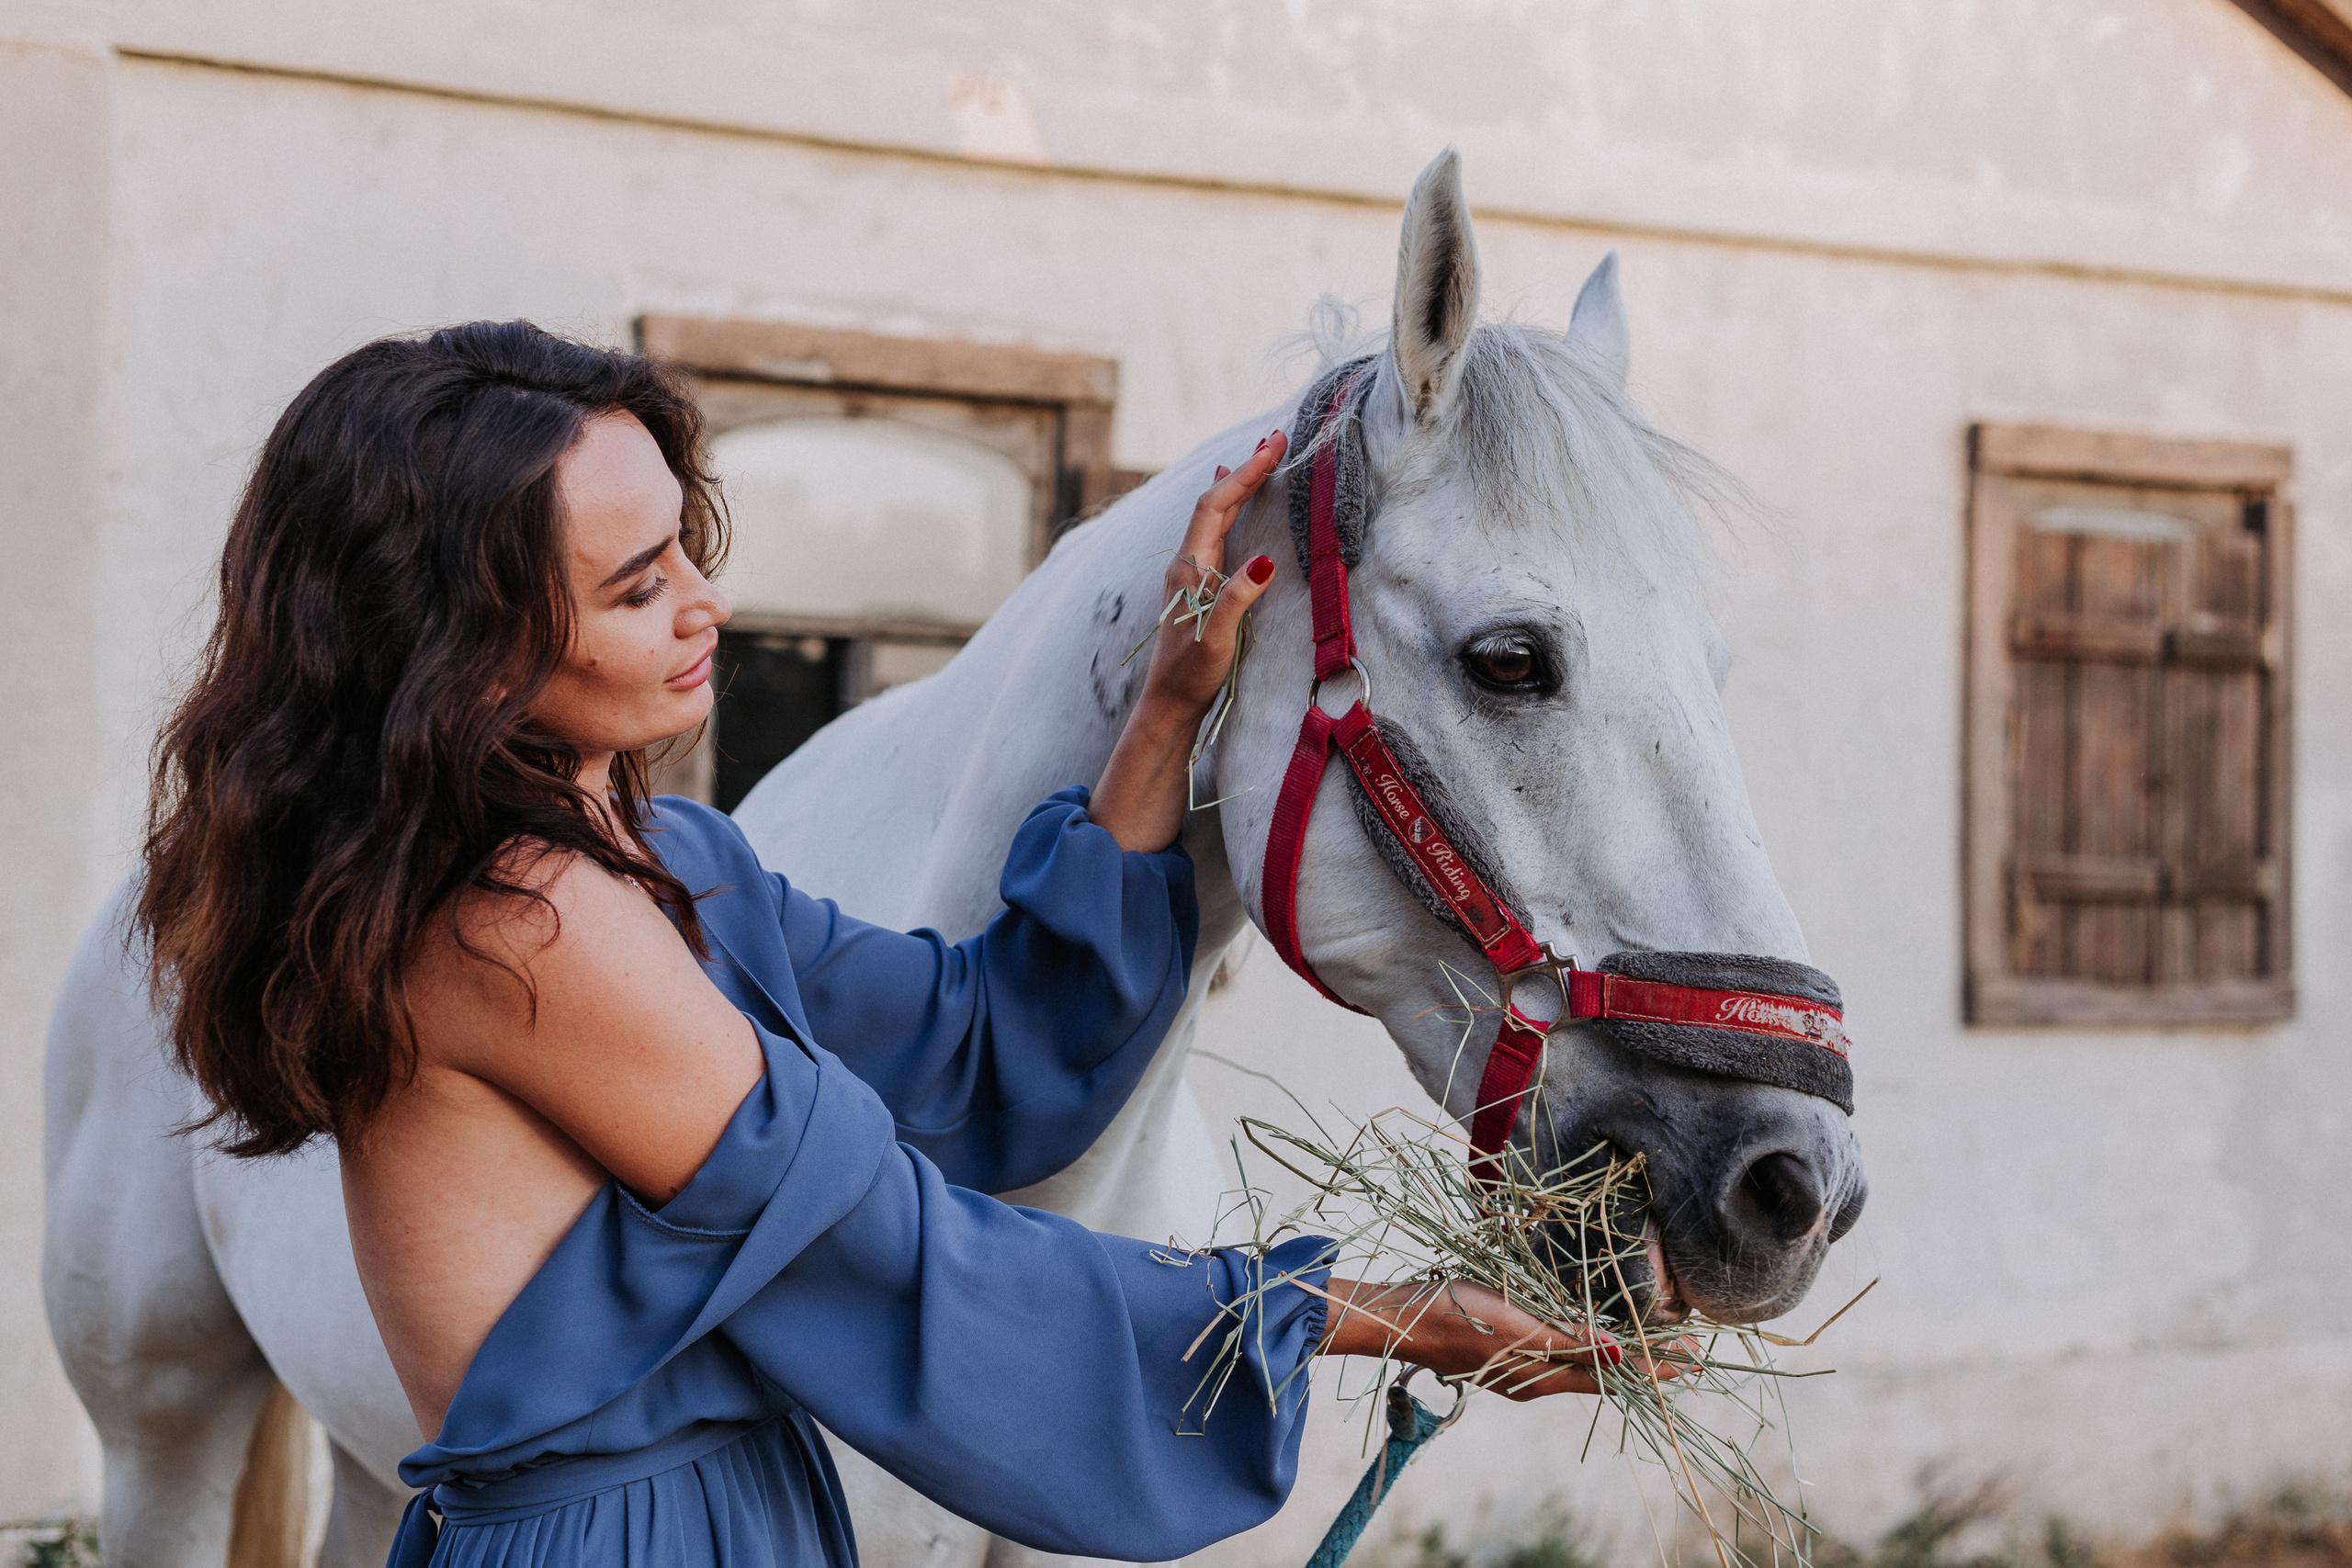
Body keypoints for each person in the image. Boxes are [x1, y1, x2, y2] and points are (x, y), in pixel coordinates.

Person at [136, 321, 1631, 1568]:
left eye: (686, 551)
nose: (707, 607)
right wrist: (1375, 1315)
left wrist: (1169, 704)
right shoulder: (521, 929)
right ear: (459, 651)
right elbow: (894, 1260)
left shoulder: (671, 863)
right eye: (637, 587)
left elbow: (977, 1043)